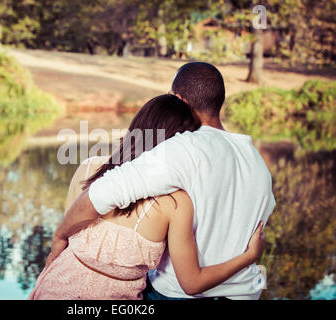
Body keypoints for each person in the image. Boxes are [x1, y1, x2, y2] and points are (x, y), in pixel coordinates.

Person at [47, 62, 276, 300]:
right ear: (219, 102)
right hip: (244, 294)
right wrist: (249, 257)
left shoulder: (184, 148)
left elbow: (103, 192)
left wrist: (60, 235)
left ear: (179, 100)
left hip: (178, 294)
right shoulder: (258, 163)